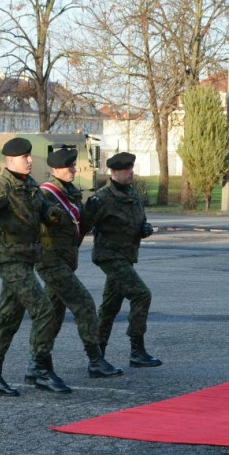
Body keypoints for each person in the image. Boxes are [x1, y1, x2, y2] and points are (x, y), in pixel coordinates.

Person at [0, 137, 71, 396]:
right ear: (10, 161)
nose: (30, 160)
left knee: (8, 318)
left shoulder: (29, 186)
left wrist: (54, 214)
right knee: (44, 310)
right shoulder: (3, 186)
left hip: (26, 259)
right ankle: (41, 369)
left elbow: (44, 209)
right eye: (24, 157)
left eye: (30, 156)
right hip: (10, 259)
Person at [34, 147, 122, 380]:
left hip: (66, 260)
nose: (73, 170)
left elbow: (79, 227)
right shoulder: (45, 194)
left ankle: (37, 363)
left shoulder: (71, 193)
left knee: (53, 314)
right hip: (50, 260)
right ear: (55, 170)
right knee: (84, 304)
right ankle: (95, 360)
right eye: (68, 167)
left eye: (73, 166)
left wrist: (91, 213)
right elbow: (28, 223)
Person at [83, 152, 162, 368]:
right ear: (114, 172)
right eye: (127, 169)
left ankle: (97, 357)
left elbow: (139, 221)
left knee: (110, 308)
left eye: (132, 168)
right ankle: (137, 350)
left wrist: (144, 229)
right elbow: (83, 226)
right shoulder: (103, 198)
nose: (131, 173)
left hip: (126, 257)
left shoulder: (132, 195)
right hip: (110, 256)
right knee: (141, 294)